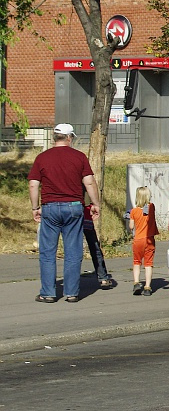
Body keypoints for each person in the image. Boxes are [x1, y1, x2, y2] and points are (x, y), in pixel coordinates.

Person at [27, 123, 100, 303]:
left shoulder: (42, 158)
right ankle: (72, 293)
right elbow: (89, 183)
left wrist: (35, 207)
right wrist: (95, 204)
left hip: (50, 208)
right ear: (69, 137)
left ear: (54, 137)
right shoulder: (79, 157)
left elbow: (33, 184)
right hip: (74, 207)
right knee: (73, 251)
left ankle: (48, 293)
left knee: (47, 252)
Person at [129, 186, 159, 296]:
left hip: (138, 240)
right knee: (148, 263)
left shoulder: (134, 211)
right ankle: (147, 287)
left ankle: (136, 282)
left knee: (137, 262)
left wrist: (131, 217)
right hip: (149, 239)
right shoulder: (152, 207)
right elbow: (148, 210)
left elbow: (131, 227)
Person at [83, 195, 114, 289]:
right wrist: (94, 203)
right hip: (84, 208)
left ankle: (71, 282)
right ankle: (103, 277)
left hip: (66, 207)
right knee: (94, 245)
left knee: (72, 249)